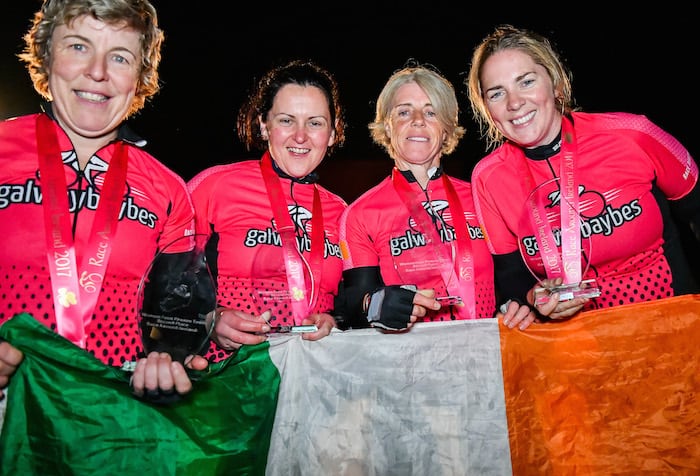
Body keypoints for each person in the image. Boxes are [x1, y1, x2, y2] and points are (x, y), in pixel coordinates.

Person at [0, 0, 209, 407]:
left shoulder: (167, 188)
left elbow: (178, 314)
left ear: (140, 76)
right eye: (78, 46)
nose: (97, 72)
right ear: (45, 56)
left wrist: (168, 362)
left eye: (119, 56)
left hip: (111, 416)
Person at [466, 24, 700, 321]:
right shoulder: (488, 178)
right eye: (497, 93)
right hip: (577, 352)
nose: (514, 103)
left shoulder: (633, 134)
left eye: (526, 82)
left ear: (554, 82)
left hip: (669, 328)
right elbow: (510, 276)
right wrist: (533, 297)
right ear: (487, 109)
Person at [334, 63, 536, 332]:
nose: (418, 120)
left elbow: (517, 280)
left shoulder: (482, 196)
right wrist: (375, 304)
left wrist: (521, 303)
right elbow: (354, 305)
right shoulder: (360, 213)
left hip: (486, 355)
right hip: (408, 364)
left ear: (446, 129)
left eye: (431, 112)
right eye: (404, 111)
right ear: (387, 126)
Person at [188, 59, 347, 361]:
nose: (300, 136)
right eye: (287, 120)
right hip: (229, 377)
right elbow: (163, 285)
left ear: (333, 131)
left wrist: (333, 320)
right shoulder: (215, 186)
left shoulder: (341, 211)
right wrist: (210, 320)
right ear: (264, 124)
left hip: (312, 378)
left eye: (315, 123)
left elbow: (349, 303)